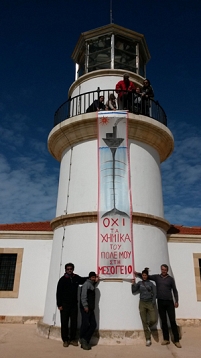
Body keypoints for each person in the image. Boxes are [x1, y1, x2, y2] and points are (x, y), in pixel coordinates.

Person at [135, 264, 181, 348]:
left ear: (167, 270)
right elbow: (147, 277)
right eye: (162, 269)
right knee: (163, 321)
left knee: (172, 321)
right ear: (161, 269)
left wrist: (176, 301)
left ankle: (176, 340)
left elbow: (174, 290)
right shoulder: (157, 277)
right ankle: (166, 339)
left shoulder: (170, 279)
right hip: (160, 301)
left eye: (165, 270)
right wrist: (137, 273)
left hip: (169, 302)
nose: (164, 271)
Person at [56, 262, 87, 347]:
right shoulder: (62, 280)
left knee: (74, 323)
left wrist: (92, 277)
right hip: (64, 305)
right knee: (64, 323)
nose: (69, 270)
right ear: (65, 270)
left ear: (73, 269)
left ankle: (73, 339)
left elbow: (83, 280)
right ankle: (65, 340)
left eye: (71, 269)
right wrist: (59, 305)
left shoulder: (75, 278)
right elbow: (58, 293)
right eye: (68, 269)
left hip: (73, 305)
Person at [131, 269, 157, 346]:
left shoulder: (151, 284)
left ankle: (149, 326)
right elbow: (134, 291)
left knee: (153, 319)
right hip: (142, 303)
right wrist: (133, 284)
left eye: (145, 275)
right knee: (144, 321)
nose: (144, 276)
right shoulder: (139, 283)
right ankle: (148, 339)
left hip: (149, 303)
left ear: (147, 276)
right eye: (143, 275)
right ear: (142, 276)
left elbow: (155, 294)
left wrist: (153, 302)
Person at [79, 271, 99, 350]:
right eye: (92, 277)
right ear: (90, 277)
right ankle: (82, 339)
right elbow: (83, 296)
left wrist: (97, 281)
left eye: (94, 277)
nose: (93, 278)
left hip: (91, 308)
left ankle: (85, 340)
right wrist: (85, 306)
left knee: (93, 325)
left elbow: (92, 287)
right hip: (86, 308)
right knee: (86, 324)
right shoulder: (86, 284)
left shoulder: (91, 284)